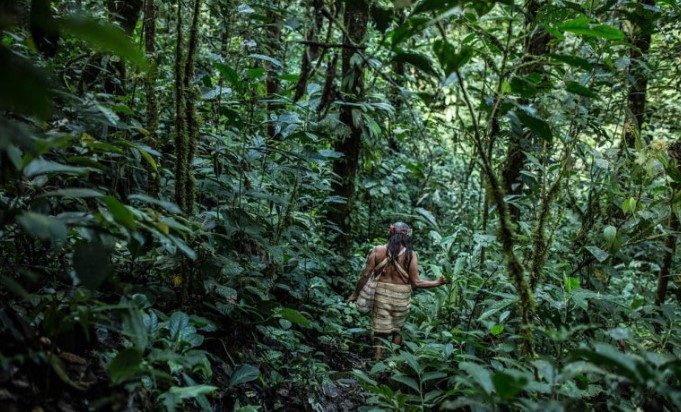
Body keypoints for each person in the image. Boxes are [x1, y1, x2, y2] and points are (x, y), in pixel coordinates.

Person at [346, 222, 447, 359]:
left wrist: (355, 294)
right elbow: (416, 283)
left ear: (391, 233)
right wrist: (437, 282)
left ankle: (377, 357)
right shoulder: (411, 255)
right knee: (397, 329)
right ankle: (392, 360)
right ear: (408, 236)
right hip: (402, 297)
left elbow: (365, 275)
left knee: (380, 330)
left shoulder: (378, 250)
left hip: (381, 294)